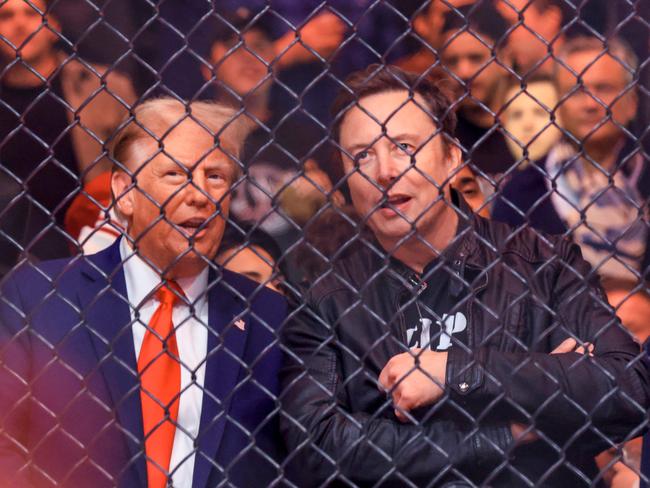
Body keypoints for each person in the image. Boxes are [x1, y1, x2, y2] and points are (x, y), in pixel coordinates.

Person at [280, 64, 650, 486]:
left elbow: (628, 391)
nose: (383, 171)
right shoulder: (326, 297)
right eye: (362, 154)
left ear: (452, 157)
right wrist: (509, 429)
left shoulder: (542, 260)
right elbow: (316, 447)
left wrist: (456, 372)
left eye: (403, 146)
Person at [0, 98, 287, 487]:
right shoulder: (38, 297)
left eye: (216, 177)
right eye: (175, 174)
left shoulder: (268, 315)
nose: (200, 194)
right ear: (125, 192)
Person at [492, 36, 647, 283]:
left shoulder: (644, 179)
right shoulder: (522, 191)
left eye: (604, 88)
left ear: (633, 102)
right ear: (558, 105)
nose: (590, 104)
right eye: (576, 91)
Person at [0, 0, 136, 261]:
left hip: (96, 234)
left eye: (31, 13)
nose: (19, 24)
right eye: (6, 16)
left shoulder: (103, 88)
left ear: (53, 25)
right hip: (9, 245)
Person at [439, 2, 515, 175]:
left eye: (475, 58)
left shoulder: (535, 128)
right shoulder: (443, 139)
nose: (463, 72)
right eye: (452, 62)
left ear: (505, 60)